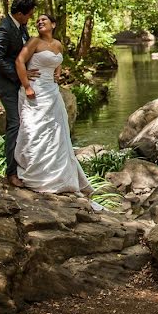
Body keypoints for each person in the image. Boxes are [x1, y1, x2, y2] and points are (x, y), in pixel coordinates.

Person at [13, 14, 96, 201]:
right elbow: (19, 61)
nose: (40, 22)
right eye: (38, 21)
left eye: (44, 20)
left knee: (57, 134)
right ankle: (37, 175)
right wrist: (26, 85)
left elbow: (57, 60)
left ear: (53, 24)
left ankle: (58, 177)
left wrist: (57, 73)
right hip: (34, 90)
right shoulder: (34, 42)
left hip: (52, 91)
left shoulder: (58, 44)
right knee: (34, 130)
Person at [0, 0, 38, 187]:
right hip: (7, 86)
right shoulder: (4, 29)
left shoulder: (21, 26)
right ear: (19, 14)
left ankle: (25, 167)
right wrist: (21, 75)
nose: (31, 18)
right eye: (29, 14)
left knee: (25, 124)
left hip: (19, 86)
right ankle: (11, 173)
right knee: (15, 125)